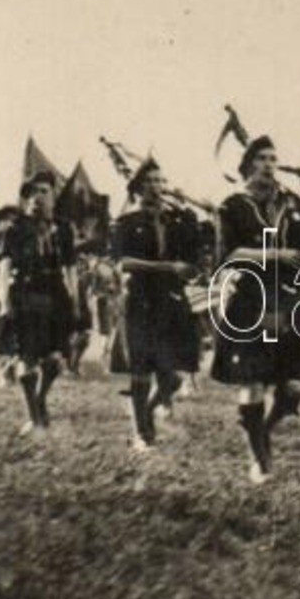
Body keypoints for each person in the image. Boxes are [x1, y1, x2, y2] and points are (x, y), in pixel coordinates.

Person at [209, 135, 300, 484]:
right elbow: (228, 256)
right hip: (251, 300)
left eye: (274, 158)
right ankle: (259, 461)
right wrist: (275, 255)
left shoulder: (291, 203)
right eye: (262, 158)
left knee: (295, 387)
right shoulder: (232, 206)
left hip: (288, 300)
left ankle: (261, 429)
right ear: (248, 164)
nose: (269, 164)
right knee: (253, 383)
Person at [109, 158, 204, 452]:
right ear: (138, 188)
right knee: (140, 369)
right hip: (139, 300)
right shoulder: (126, 222)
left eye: (161, 181)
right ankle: (140, 432)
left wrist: (191, 267)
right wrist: (166, 268)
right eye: (150, 181)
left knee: (172, 377)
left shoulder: (178, 221)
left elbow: (195, 258)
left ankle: (147, 412)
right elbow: (122, 262)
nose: (157, 187)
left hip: (171, 302)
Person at [0, 171, 79, 435]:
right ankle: (34, 417)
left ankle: (40, 398)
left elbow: (70, 267)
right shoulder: (15, 228)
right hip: (25, 293)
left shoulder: (63, 228)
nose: (37, 198)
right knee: (27, 357)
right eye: (31, 193)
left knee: (54, 360)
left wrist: (75, 299)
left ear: (53, 195)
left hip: (55, 294)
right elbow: (5, 267)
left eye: (43, 191)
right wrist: (3, 301)